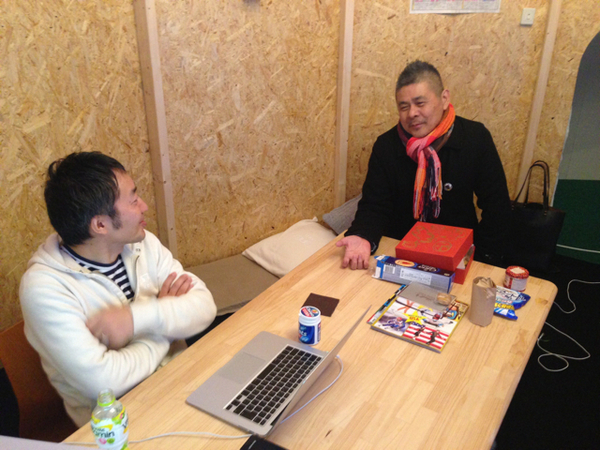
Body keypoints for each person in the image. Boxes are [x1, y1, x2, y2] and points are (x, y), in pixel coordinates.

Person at [19, 152, 217, 427]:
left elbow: (205, 307)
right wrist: (165, 328)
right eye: (133, 200)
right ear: (100, 224)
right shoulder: (43, 289)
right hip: (121, 424)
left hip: (185, 381)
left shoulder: (142, 243)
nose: (144, 206)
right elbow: (105, 382)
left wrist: (133, 319)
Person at [337, 60, 511, 269]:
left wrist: (482, 260)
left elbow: (497, 209)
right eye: (404, 107)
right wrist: (362, 236)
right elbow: (374, 205)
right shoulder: (386, 146)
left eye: (420, 103)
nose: (412, 113)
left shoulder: (475, 138)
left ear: (444, 99)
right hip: (400, 252)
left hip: (458, 254)